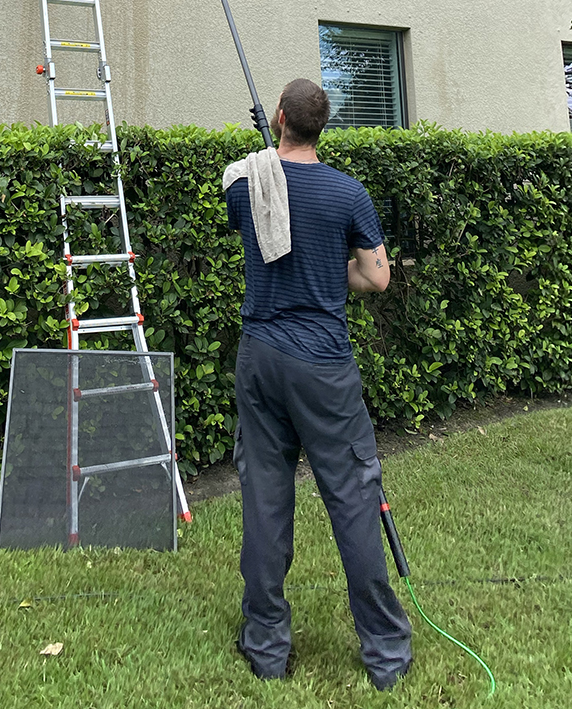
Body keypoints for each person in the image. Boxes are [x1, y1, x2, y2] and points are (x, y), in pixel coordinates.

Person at [224, 77, 412, 691]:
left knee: (265, 498)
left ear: (278, 118)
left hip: (260, 360)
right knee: (354, 498)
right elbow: (376, 279)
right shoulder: (348, 193)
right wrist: (336, 273)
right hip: (324, 367)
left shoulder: (248, 184)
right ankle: (386, 655)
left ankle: (267, 648)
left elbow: (261, 227)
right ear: (322, 126)